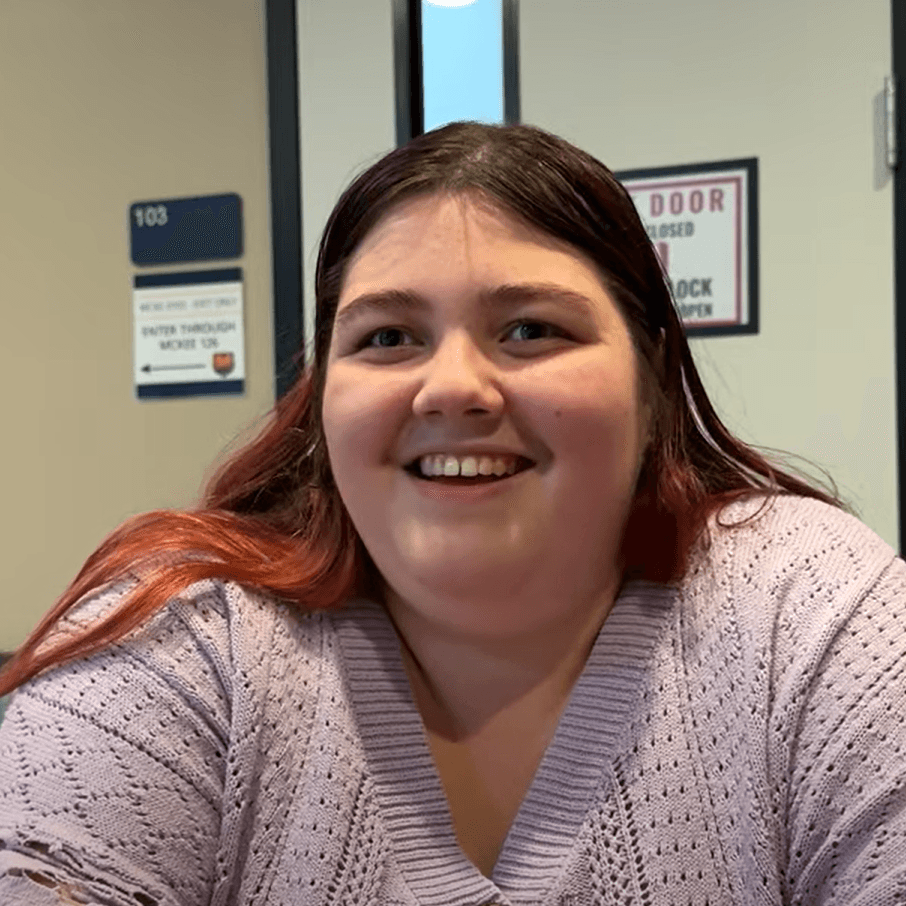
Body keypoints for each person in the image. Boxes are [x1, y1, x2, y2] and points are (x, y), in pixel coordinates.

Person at [1, 121, 904, 906]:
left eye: (532, 329)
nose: (454, 388)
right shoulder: (188, 638)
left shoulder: (809, 615)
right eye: (388, 337)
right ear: (324, 398)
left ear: (654, 380)